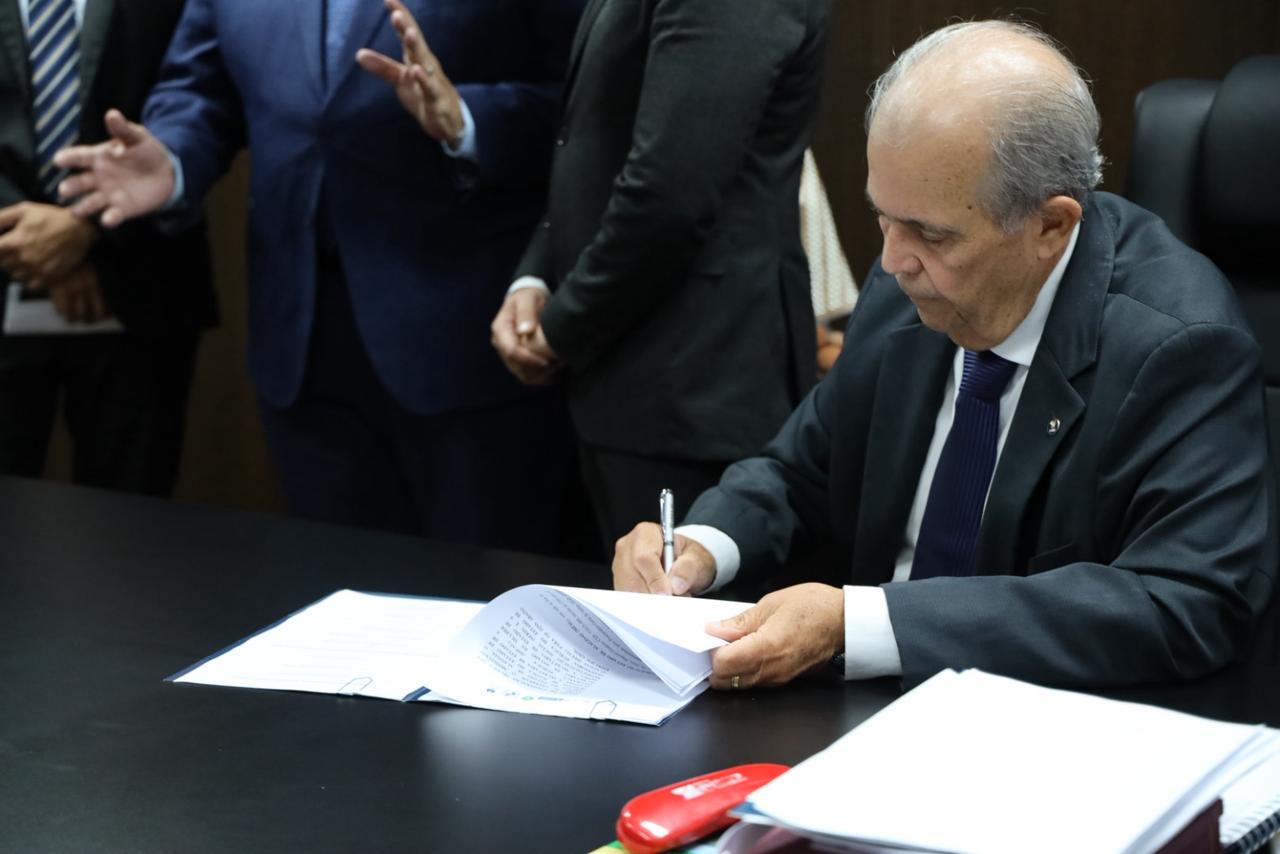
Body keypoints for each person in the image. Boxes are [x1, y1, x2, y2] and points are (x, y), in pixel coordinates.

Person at [613, 20, 1275, 691]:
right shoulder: (907, 287)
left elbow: (1186, 602)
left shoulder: (1180, 347)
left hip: (1042, 718)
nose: (892, 261)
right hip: (861, 707)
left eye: (929, 234)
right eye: (883, 217)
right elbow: (802, 471)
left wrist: (860, 623)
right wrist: (702, 547)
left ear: (1051, 225)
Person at [52, 0, 587, 551]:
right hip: (299, 343)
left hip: (469, 338)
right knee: (339, 584)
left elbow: (587, 100)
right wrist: (175, 158)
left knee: (490, 587)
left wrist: (468, 120)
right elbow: (200, 89)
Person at [488, 0, 831, 549]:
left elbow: (671, 194)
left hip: (697, 384)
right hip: (623, 373)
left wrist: (560, 326)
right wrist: (535, 279)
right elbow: (588, 142)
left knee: (675, 604)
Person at [0, 0, 215, 496]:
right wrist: (35, 242)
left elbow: (202, 90)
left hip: (141, 281)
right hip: (7, 261)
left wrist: (85, 227)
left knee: (132, 522)